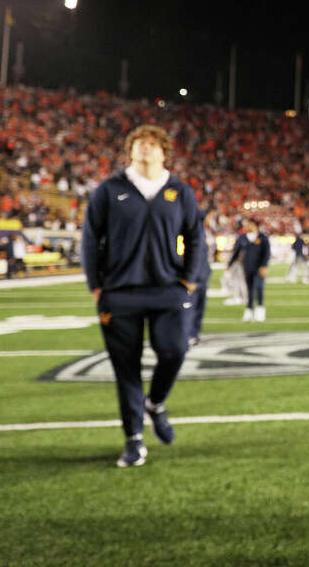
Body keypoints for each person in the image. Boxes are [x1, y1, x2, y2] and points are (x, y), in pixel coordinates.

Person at [81, 124, 204, 468]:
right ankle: (133, 439)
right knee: (127, 369)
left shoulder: (180, 191)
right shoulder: (110, 189)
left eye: (153, 144)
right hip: (120, 292)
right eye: (140, 143)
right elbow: (90, 238)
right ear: (130, 150)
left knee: (175, 349)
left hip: (169, 289)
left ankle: (157, 402)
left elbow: (196, 236)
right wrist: (96, 285)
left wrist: (189, 280)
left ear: (165, 152)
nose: (146, 148)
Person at [228, 217, 270, 322]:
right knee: (249, 290)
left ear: (254, 225)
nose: (246, 226)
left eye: (249, 224)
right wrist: (229, 264)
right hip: (247, 267)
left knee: (259, 288)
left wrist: (264, 266)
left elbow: (267, 253)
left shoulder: (263, 237)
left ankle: (260, 310)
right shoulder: (242, 237)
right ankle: (249, 310)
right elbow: (236, 252)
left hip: (259, 268)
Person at [188, 212, 215, 346]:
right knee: (192, 307)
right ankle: (190, 334)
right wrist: (191, 278)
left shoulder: (204, 232)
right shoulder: (195, 233)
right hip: (196, 277)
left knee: (200, 307)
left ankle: (194, 334)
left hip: (203, 274)